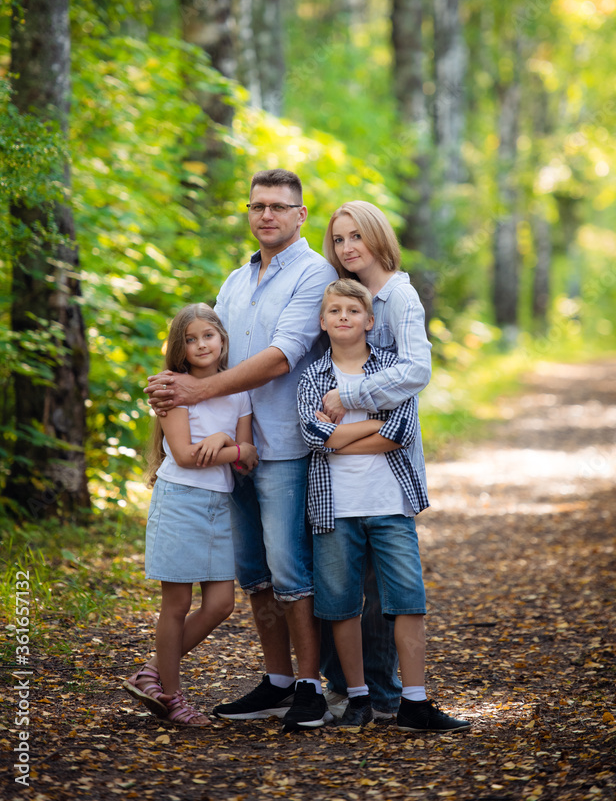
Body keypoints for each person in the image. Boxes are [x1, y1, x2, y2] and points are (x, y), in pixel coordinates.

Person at [144, 170, 337, 732]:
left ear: (301, 215)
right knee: (253, 573)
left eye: (280, 206)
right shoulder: (233, 280)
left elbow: (283, 356)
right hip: (235, 449)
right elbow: (208, 355)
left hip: (282, 442)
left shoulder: (315, 273)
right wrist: (170, 388)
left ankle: (308, 686)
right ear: (249, 213)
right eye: (258, 206)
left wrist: (198, 392)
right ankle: (276, 682)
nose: (267, 215)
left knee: (288, 569)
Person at [298, 280, 471, 732]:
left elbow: (400, 433)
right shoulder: (312, 376)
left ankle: (414, 701)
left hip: (390, 503)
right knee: (340, 605)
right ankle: (357, 697)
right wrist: (365, 427)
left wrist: (338, 439)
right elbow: (313, 438)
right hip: (333, 506)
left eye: (352, 311)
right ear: (322, 321)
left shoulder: (393, 369)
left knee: (407, 599)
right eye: (333, 311)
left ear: (370, 321)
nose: (342, 317)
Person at [318, 200, 432, 719]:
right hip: (340, 474)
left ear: (377, 236)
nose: (347, 248)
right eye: (339, 240)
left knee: (384, 588)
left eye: (355, 236)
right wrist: (330, 433)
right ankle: (354, 689)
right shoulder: (350, 299)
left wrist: (349, 402)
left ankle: (388, 695)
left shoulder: (399, 298)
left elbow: (414, 372)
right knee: (344, 585)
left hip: (386, 462)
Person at [124, 303, 258, 726]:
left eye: (208, 336)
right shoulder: (172, 388)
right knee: (177, 604)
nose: (201, 344)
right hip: (180, 501)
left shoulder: (240, 389)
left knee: (221, 604)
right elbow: (182, 455)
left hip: (221, 504)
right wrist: (227, 446)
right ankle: (172, 695)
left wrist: (222, 441)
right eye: (190, 339)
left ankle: (151, 673)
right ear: (179, 348)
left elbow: (249, 455)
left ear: (222, 339)